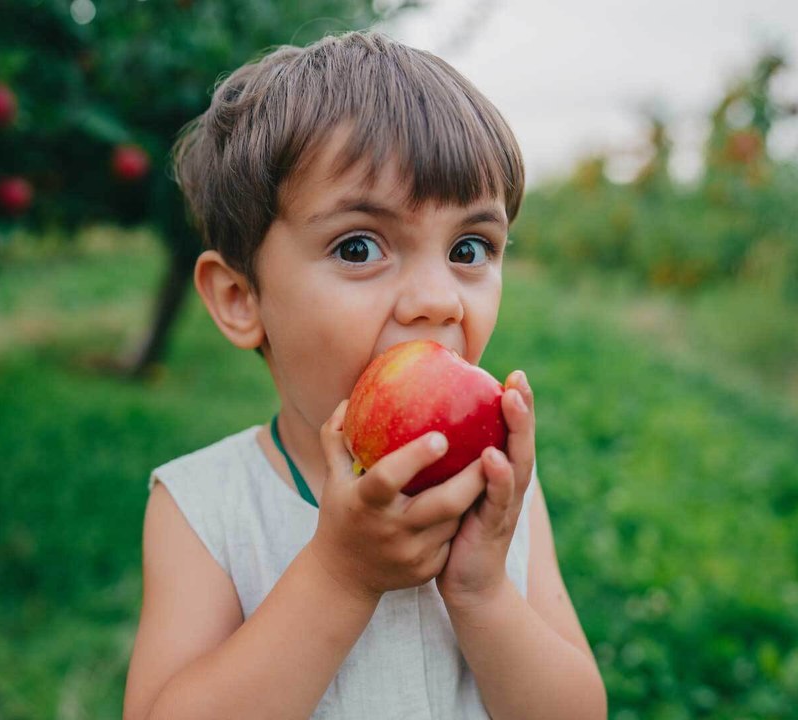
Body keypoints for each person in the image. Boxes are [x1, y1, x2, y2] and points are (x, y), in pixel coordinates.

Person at [123, 29, 606, 720]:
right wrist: (340, 576)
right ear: (241, 299)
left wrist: (482, 590)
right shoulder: (206, 509)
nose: (438, 298)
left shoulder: (502, 499)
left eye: (471, 247)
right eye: (359, 246)